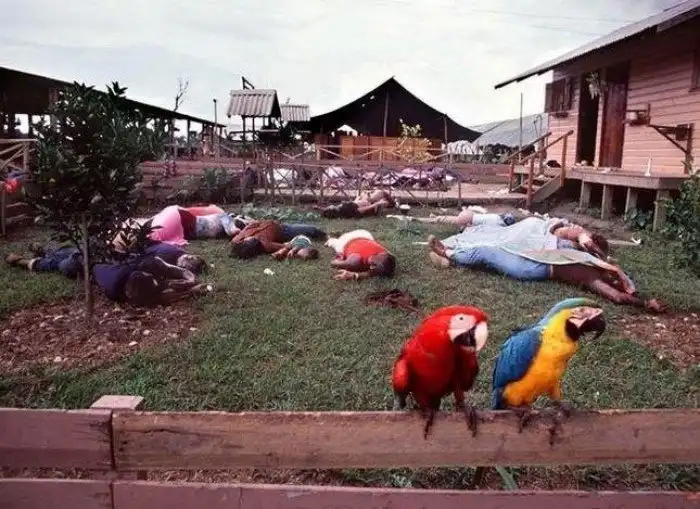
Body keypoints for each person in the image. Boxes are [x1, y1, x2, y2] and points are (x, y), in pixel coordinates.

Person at [427, 235, 666, 312]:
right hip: (536, 257)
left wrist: (645, 303)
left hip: (534, 268)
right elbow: (588, 246)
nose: (611, 275)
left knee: (486, 252)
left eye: (614, 278)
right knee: (495, 248)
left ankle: (448, 254)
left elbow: (618, 297)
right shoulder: (587, 259)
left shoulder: (591, 277)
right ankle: (454, 255)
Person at [5, 242, 209, 306]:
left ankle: (36, 255)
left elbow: (164, 292)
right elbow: (164, 293)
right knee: (58, 260)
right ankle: (33, 257)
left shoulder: (120, 283)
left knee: (62, 260)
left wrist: (191, 284)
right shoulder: (121, 289)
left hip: (86, 260)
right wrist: (192, 285)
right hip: (88, 259)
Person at [229, 220, 321, 260]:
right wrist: (289, 251)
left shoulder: (237, 240)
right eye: (255, 240)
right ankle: (326, 235)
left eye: (248, 240)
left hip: (265, 222)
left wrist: (255, 223)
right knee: (311, 229)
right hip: (284, 230)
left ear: (243, 242)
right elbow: (289, 245)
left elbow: (249, 226)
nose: (253, 237)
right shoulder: (266, 245)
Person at [326, 229, 396, 281]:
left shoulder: (355, 261)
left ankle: (331, 238)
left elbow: (333, 263)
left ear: (372, 266)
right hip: (364, 235)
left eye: (377, 260)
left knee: (334, 242)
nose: (379, 254)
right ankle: (337, 234)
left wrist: (344, 263)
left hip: (344, 242)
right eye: (382, 255)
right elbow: (374, 272)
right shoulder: (386, 255)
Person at [390, 206, 516, 229]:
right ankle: (418, 219)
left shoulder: (496, 217)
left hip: (469, 214)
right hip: (468, 219)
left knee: (446, 219)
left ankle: (435, 217)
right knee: (444, 221)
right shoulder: (499, 225)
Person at [314, 190, 395, 219]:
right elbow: (360, 210)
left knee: (377, 193)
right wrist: (377, 203)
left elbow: (354, 203)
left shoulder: (340, 208)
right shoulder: (344, 210)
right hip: (372, 208)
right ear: (333, 210)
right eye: (330, 207)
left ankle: (393, 203)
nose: (331, 205)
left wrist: (358, 198)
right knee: (381, 193)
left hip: (367, 202)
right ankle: (393, 204)